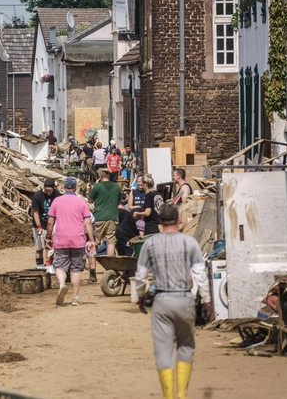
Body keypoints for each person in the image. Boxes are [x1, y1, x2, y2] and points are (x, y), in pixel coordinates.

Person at [134, 204, 212, 399]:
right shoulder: (190, 243)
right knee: (186, 346)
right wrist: (207, 300)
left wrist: (141, 296)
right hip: (185, 300)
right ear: (179, 220)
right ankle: (182, 395)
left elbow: (141, 275)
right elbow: (200, 275)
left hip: (161, 301)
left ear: (160, 222)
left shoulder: (150, 244)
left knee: (163, 350)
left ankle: (169, 397)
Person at [46, 177, 96, 306]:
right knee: (76, 269)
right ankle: (75, 297)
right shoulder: (81, 202)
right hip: (78, 240)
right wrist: (91, 240)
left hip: (61, 239)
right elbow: (88, 222)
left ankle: (62, 284)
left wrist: (48, 237)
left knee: (59, 265)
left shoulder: (56, 201)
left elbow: (50, 222)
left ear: (64, 188)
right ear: (75, 188)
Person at [88, 169, 122, 282]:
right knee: (111, 241)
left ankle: (93, 272)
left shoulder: (97, 186)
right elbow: (118, 202)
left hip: (99, 217)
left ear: (100, 176)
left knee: (95, 243)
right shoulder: (117, 186)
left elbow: (90, 199)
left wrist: (96, 185)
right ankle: (110, 270)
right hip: (113, 217)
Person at [31, 179, 61, 269]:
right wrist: (39, 226)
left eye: (50, 191)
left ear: (53, 188)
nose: (48, 193)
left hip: (52, 225)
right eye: (47, 191)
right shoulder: (38, 196)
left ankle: (49, 266)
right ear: (44, 188)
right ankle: (39, 267)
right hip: (39, 224)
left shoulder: (57, 195)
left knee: (49, 247)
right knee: (39, 248)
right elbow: (35, 212)